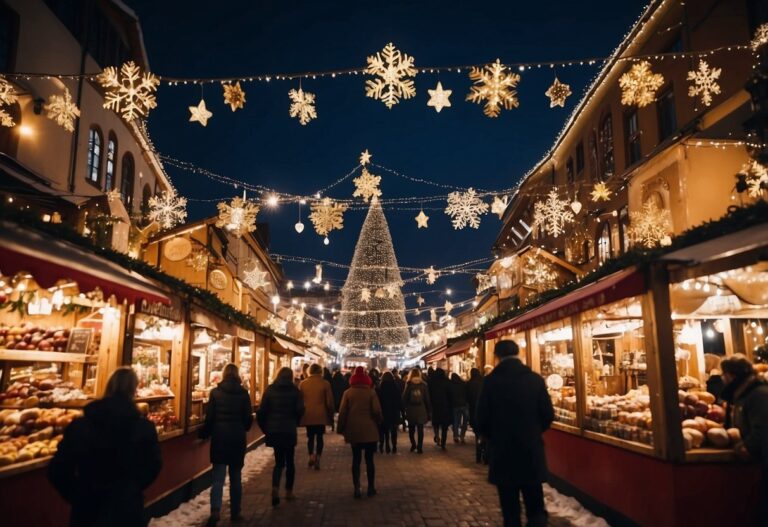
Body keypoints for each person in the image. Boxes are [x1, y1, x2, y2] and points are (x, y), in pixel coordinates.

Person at [49, 367, 162, 527]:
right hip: (127, 511)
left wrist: (78, 495)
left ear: (107, 387)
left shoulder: (81, 425)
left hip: (87, 512)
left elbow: (57, 469)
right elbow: (154, 465)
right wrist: (131, 489)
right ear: (133, 390)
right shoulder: (143, 427)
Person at [476, 340, 554, 527]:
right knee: (535, 504)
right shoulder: (535, 379)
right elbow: (548, 415)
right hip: (530, 450)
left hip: (503, 452)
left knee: (510, 509)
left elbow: (481, 419)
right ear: (517, 353)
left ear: (497, 356)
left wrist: (492, 437)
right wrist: (533, 431)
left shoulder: (490, 382)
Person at [198, 363, 253, 525]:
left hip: (220, 438)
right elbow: (248, 421)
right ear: (237, 375)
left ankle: (215, 511)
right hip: (237, 439)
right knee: (236, 477)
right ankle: (235, 512)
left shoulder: (215, 393)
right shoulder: (244, 394)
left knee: (218, 478)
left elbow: (210, 419)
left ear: (223, 375)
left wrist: (204, 433)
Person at [721, 355, 768, 518]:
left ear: (732, 375)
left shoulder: (758, 394)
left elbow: (763, 429)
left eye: (724, 374)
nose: (722, 378)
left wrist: (745, 446)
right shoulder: (742, 395)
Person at [257, 367, 304, 507]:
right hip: (289, 430)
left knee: (278, 462)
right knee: (290, 461)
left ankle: (275, 488)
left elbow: (261, 411)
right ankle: (289, 491)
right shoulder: (295, 391)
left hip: (275, 431)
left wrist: (266, 429)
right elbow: (300, 409)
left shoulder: (270, 389)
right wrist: (296, 421)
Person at [338, 366, 382, 498]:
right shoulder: (371, 392)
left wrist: (341, 428)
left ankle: (357, 487)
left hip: (354, 430)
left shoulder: (348, 393)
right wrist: (379, 422)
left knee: (356, 459)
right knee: (369, 460)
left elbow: (342, 412)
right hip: (370, 431)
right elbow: (377, 411)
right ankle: (371, 487)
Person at [299, 363, 334, 470]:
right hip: (321, 414)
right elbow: (329, 401)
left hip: (308, 414)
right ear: (320, 371)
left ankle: (311, 456)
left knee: (310, 437)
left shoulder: (303, 384)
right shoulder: (325, 383)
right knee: (319, 437)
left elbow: (300, 400)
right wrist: (331, 413)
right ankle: (318, 457)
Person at [402, 368, 431, 453]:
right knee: (420, 428)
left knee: (411, 428)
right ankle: (420, 447)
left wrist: (404, 408)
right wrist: (429, 410)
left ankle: (413, 444)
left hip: (411, 409)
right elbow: (427, 399)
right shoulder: (424, 385)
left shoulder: (409, 384)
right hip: (421, 408)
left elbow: (404, 398)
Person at [376, 371, 403, 453]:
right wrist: (401, 410)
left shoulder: (379, 388)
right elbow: (399, 399)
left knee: (383, 430)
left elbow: (377, 401)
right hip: (393, 411)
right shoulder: (395, 387)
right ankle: (394, 446)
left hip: (383, 411)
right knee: (393, 430)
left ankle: (383, 444)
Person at [465, 367, 485, 463]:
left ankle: (478, 454)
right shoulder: (484, 382)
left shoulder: (469, 384)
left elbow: (467, 398)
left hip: (474, 411)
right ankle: (485, 453)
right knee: (485, 433)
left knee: (477, 433)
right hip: (484, 410)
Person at [429, 368, 452, 449]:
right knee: (444, 426)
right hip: (445, 406)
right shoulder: (447, 382)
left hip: (435, 406)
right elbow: (450, 394)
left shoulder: (432, 382)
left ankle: (437, 437)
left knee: (436, 424)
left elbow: (430, 394)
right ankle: (443, 442)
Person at [449, 372, 469, 443]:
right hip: (464, 405)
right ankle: (462, 436)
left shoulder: (451, 385)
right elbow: (467, 394)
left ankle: (456, 436)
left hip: (455, 406)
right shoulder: (463, 384)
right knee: (465, 422)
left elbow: (450, 396)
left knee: (456, 422)